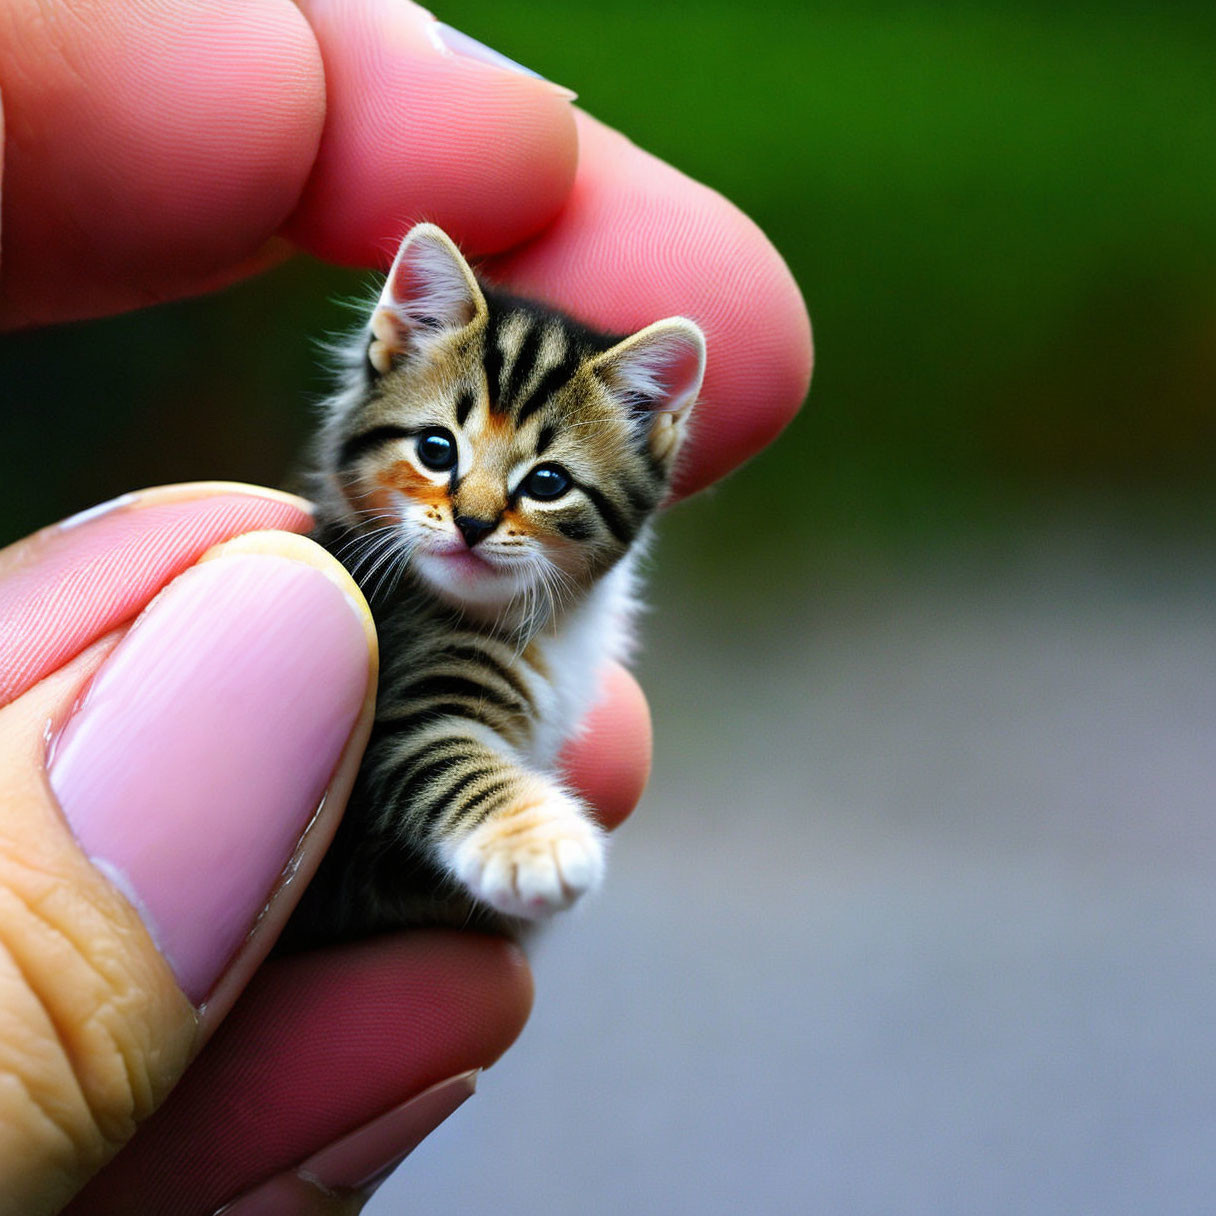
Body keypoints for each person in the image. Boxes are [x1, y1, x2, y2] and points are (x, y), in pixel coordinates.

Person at [0, 1, 812, 1211]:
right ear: (389, 358)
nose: (476, 512)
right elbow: (416, 746)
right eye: (437, 454)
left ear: (647, 449)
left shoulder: (513, 616)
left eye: (540, 483)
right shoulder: (353, 595)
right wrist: (495, 817)